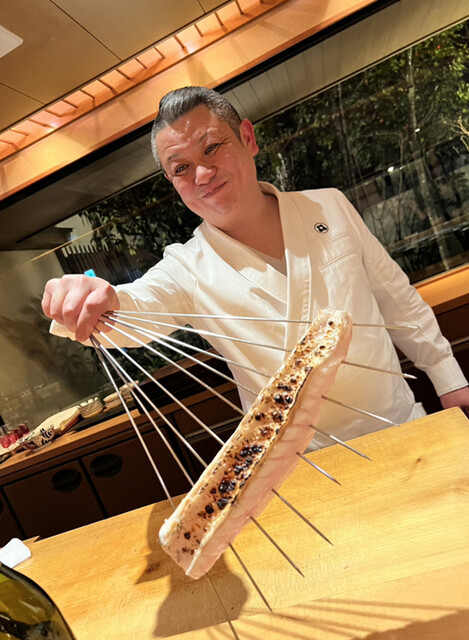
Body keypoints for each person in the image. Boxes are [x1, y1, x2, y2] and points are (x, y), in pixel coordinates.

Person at [42, 86, 469, 442]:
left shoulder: (330, 206)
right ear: (173, 183)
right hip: (303, 465)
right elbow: (138, 310)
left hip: (400, 425)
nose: (202, 174)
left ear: (247, 138)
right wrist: (94, 300)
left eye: (212, 148)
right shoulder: (187, 267)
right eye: (182, 168)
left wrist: (448, 377)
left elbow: (395, 297)